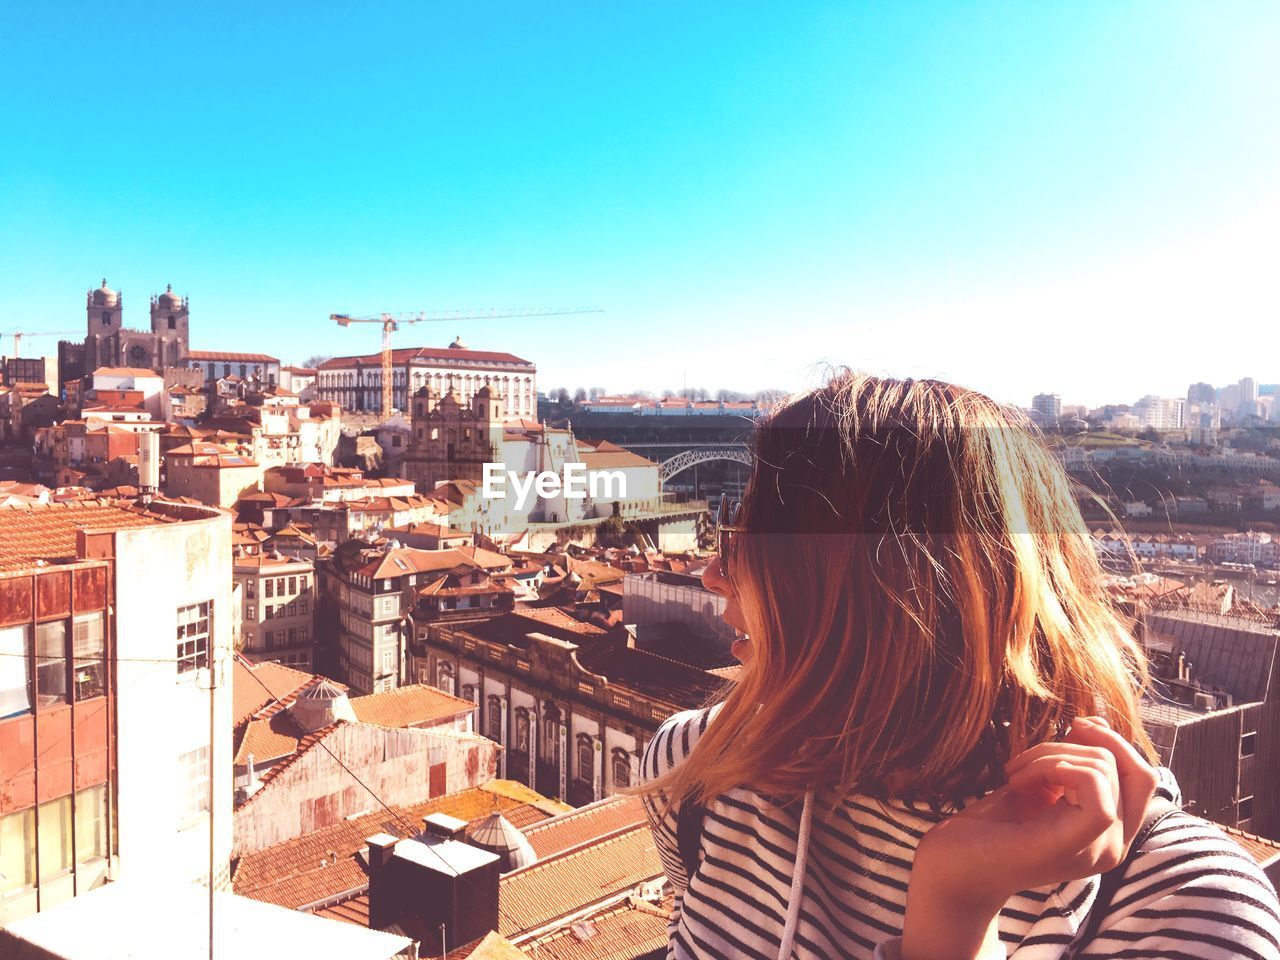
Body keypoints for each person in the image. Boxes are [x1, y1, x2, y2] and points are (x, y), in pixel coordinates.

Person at [638, 372, 1280, 960]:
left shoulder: (1184, 904)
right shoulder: (696, 770)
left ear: (880, 593)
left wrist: (956, 914)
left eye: (753, 544)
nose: (713, 573)